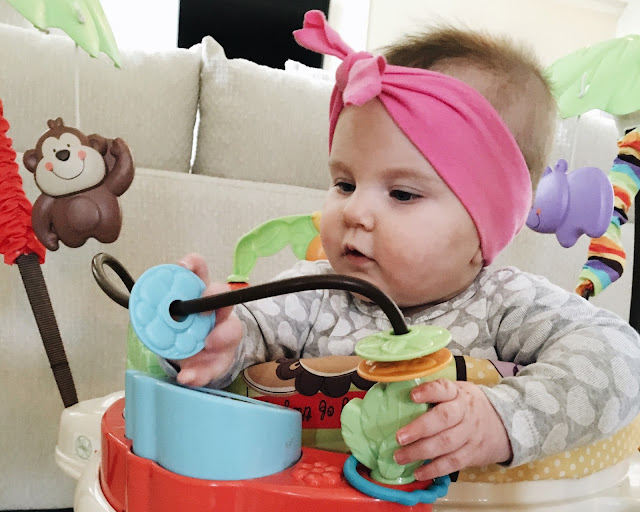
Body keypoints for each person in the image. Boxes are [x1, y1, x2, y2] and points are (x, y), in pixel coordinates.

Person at [164, 11, 640, 482]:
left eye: (403, 194)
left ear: (485, 227)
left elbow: (619, 358)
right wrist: (218, 341)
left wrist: (504, 418)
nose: (355, 211)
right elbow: (252, 331)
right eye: (345, 183)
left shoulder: (505, 304)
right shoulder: (313, 294)